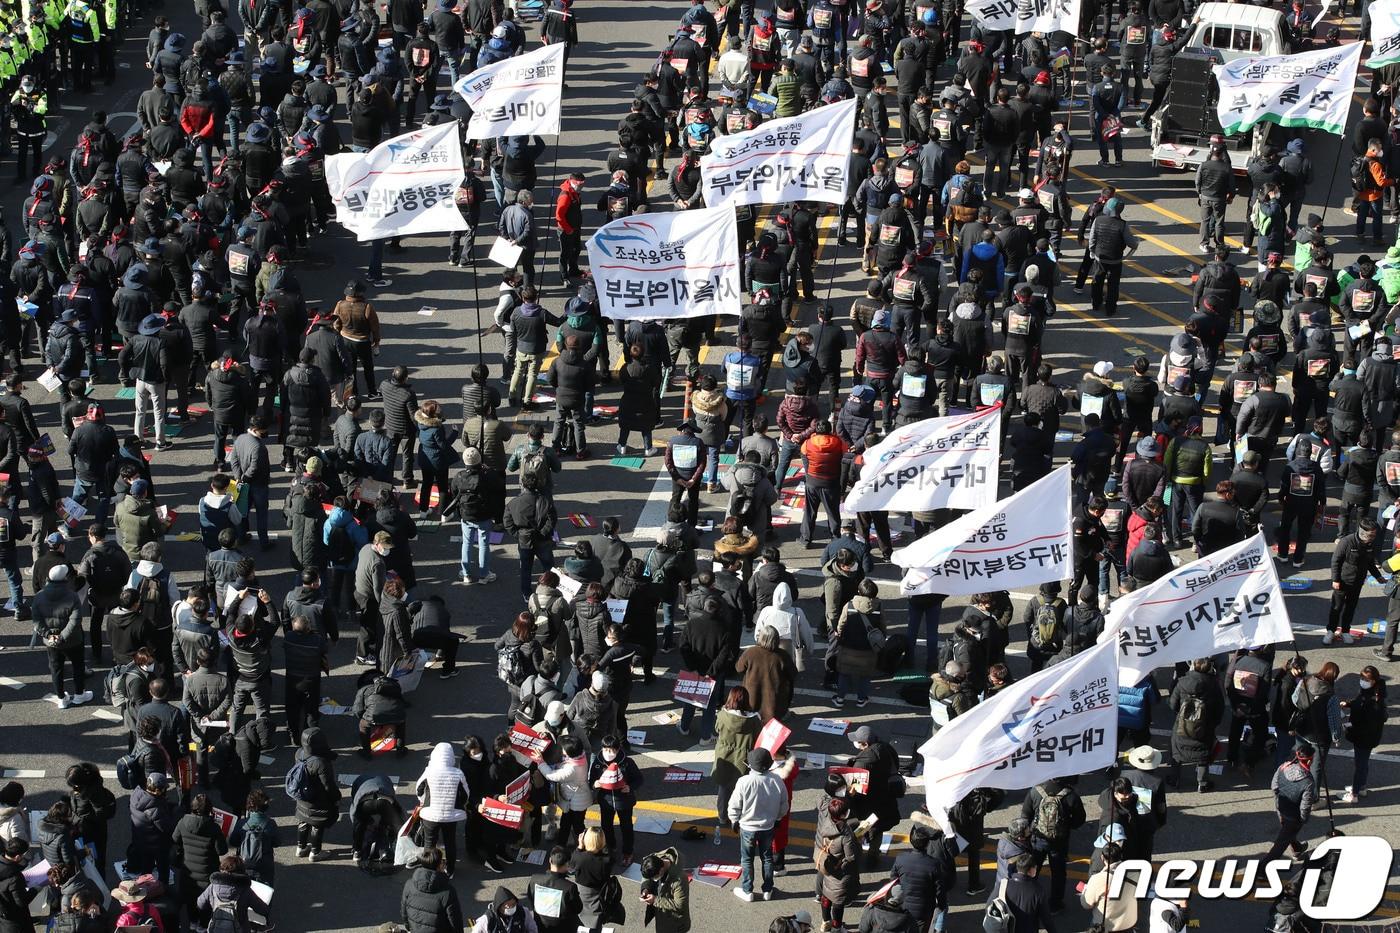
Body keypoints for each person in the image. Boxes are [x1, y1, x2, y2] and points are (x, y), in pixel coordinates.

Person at [1265, 739, 1317, 860]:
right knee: (1280, 844)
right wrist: (1303, 820)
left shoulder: (1283, 767)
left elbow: (1274, 786)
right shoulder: (1308, 781)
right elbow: (1305, 805)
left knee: (1287, 833)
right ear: (1309, 760)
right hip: (1294, 816)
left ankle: (1297, 849)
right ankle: (1263, 868)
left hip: (1281, 807)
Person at [401, 847, 466, 933]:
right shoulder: (448, 892)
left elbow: (404, 914)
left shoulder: (409, 885)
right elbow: (456, 923)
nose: (445, 863)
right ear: (439, 866)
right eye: (443, 861)